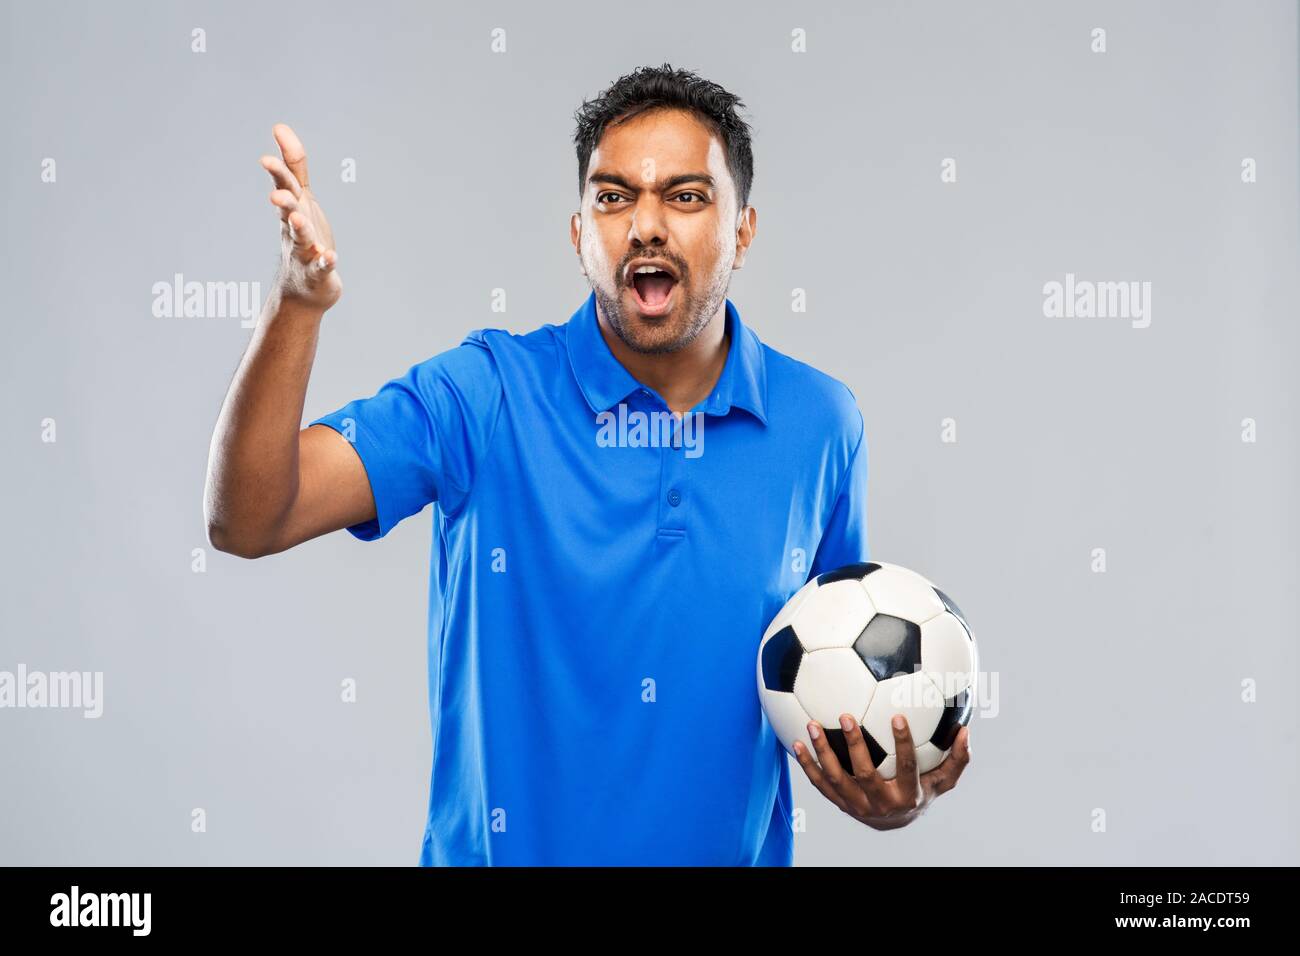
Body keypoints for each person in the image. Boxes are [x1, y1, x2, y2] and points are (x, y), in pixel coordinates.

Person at [204, 64, 971, 866]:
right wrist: (296, 302)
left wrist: (891, 794)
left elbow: (838, 693)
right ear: (579, 237)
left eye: (685, 195)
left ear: (742, 230)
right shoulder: (485, 393)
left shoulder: (821, 423)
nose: (645, 226)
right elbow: (248, 518)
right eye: (612, 197)